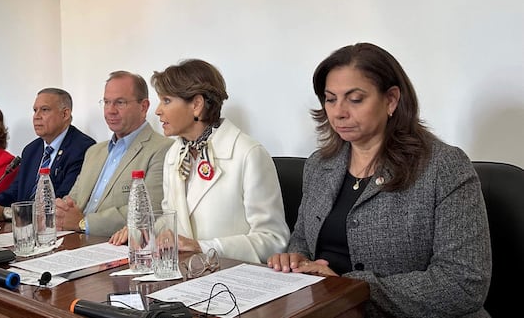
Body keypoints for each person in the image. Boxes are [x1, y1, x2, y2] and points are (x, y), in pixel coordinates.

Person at [267, 43, 492, 318]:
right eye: (330, 99)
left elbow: (464, 283)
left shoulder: (443, 166)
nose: (338, 112)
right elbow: (302, 237)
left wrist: (350, 288)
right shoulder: (319, 165)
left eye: (355, 99)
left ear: (391, 100)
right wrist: (296, 259)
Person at [111, 59, 290, 264]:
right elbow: (174, 220)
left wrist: (203, 247)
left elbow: (273, 240)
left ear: (196, 105)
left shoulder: (249, 154)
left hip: (231, 279)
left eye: (166, 100)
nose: (158, 110)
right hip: (187, 274)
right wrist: (146, 231)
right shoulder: (175, 153)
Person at [55, 71, 172, 236]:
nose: (110, 110)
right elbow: (73, 200)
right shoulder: (94, 151)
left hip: (114, 246)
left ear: (144, 106)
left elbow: (150, 212)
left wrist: (83, 223)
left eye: (120, 102)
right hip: (72, 239)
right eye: (106, 102)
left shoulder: (163, 149)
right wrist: (61, 211)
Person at [0, 88, 95, 220]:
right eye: (35, 110)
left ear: (65, 114)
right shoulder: (31, 150)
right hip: (24, 228)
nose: (37, 116)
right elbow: (15, 191)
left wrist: (6, 213)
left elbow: (62, 201)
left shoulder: (83, 148)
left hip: (57, 230)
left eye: (45, 110)